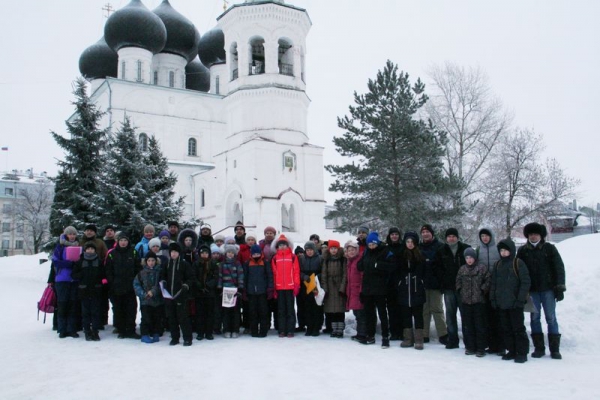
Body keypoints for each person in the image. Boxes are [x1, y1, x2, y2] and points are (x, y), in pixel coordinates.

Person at [517, 222, 566, 360]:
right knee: (534, 318)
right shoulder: (522, 251)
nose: (533, 236)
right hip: (532, 291)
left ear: (541, 235)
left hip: (548, 290)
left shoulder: (549, 249)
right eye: (531, 234)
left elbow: (559, 268)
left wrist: (560, 287)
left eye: (536, 234)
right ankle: (539, 348)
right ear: (528, 235)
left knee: (551, 318)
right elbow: (518, 271)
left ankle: (554, 349)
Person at [490, 238, 531, 363]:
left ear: (511, 251)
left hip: (515, 303)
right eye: (501, 250)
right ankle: (511, 350)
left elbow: (525, 282)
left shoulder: (518, 263)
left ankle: (522, 352)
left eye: (506, 250)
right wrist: (493, 299)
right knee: (506, 328)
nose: (503, 253)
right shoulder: (497, 265)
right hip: (502, 304)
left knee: (518, 328)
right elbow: (493, 283)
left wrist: (520, 299)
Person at [357, 232, 396, 348]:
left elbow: (392, 266)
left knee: (382, 313)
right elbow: (359, 266)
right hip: (368, 288)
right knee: (369, 313)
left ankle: (385, 336)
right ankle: (370, 335)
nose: (371, 246)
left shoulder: (385, 251)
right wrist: (365, 264)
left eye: (373, 244)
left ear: (377, 243)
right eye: (369, 244)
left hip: (380, 288)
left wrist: (377, 265)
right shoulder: (366, 252)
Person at [435, 227, 470, 349]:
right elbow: (438, 269)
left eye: (453, 236)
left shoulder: (465, 248)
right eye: (449, 236)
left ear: (457, 237)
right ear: (446, 238)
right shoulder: (441, 250)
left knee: (465, 315)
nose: (451, 238)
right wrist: (443, 282)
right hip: (449, 288)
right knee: (450, 315)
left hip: (464, 288)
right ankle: (453, 340)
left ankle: (468, 341)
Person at [106, 231, 141, 339]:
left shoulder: (133, 252)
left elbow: (138, 268)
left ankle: (131, 330)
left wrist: (136, 282)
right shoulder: (112, 253)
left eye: (125, 240)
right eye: (121, 240)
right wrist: (112, 283)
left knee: (131, 308)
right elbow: (108, 270)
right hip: (117, 286)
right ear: (118, 242)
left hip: (130, 287)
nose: (123, 242)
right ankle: (121, 330)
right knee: (119, 309)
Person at [456, 247, 491, 357]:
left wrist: (482, 289)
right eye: (467, 258)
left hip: (478, 301)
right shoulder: (462, 269)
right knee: (468, 326)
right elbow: (458, 281)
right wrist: (460, 290)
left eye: (471, 257)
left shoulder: (481, 268)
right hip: (466, 301)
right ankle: (470, 347)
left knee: (479, 325)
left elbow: (488, 280)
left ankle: (481, 348)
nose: (469, 260)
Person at [396, 232, 427, 350]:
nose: (410, 244)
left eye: (412, 242)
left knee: (418, 314)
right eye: (408, 242)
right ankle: (408, 338)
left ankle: (419, 339)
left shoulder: (420, 254)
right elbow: (397, 270)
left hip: (417, 288)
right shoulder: (401, 254)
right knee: (406, 315)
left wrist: (421, 281)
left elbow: (425, 270)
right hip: (404, 288)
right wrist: (399, 281)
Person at [161, 242, 195, 346]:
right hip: (169, 295)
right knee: (172, 318)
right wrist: (163, 282)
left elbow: (191, 277)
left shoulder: (184, 264)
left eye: (176, 252)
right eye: (172, 252)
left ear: (179, 253)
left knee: (183, 318)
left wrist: (186, 285)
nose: (174, 254)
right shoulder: (166, 264)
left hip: (181, 294)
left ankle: (187, 338)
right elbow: (162, 276)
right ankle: (175, 338)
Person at [476, 228, 503, 355]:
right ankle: (490, 344)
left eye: (487, 235)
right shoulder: (478, 250)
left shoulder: (497, 249)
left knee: (497, 317)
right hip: (483, 288)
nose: (485, 238)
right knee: (486, 317)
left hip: (496, 287)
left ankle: (500, 345)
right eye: (482, 236)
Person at [419, 224, 447, 344]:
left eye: (427, 232)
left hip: (436, 283)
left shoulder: (440, 246)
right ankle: (424, 334)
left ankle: (443, 334)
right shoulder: (419, 247)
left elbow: (443, 265)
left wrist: (442, 281)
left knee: (437, 309)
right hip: (423, 283)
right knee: (424, 309)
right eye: (423, 232)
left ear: (432, 233)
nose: (425, 234)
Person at [72, 242, 106, 342]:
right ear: (85, 250)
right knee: (85, 312)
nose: (90, 250)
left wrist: (102, 281)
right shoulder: (80, 261)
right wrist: (82, 275)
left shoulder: (99, 261)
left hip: (96, 290)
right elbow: (73, 274)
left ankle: (95, 331)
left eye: (92, 249)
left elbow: (103, 273)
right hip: (84, 290)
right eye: (88, 249)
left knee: (95, 312)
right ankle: (87, 331)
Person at [52, 226, 81, 338]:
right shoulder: (60, 247)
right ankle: (62, 329)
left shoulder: (79, 246)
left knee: (73, 304)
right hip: (62, 279)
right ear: (66, 235)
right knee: (63, 304)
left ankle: (72, 329)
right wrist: (69, 263)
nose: (72, 236)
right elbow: (55, 261)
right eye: (70, 234)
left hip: (74, 280)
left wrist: (77, 264)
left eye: (74, 234)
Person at [271, 234, 300, 338]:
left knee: (290, 310)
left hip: (290, 287)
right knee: (281, 310)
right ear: (277, 247)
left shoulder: (292, 257)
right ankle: (282, 330)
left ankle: (290, 330)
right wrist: (274, 288)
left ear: (288, 246)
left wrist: (296, 285)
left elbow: (296, 271)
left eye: (284, 245)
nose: (282, 247)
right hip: (279, 288)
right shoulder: (275, 258)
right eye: (280, 245)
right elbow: (274, 274)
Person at [243, 244, 273, 337]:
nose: (256, 255)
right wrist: (244, 290)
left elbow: (269, 276)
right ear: (251, 254)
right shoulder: (247, 263)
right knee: (252, 312)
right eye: (254, 254)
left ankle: (263, 330)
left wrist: (270, 288)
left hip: (262, 292)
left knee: (263, 312)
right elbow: (245, 277)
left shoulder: (265, 262)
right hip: (251, 292)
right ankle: (254, 330)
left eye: (257, 253)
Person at [133, 251, 163, 343]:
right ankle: (145, 334)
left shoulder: (160, 272)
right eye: (149, 260)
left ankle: (155, 333)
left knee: (157, 318)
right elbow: (136, 284)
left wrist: (153, 292)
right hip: (145, 300)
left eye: (153, 260)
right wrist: (142, 293)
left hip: (157, 299)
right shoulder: (141, 273)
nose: (151, 262)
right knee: (146, 318)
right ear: (146, 261)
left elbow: (161, 284)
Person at [321, 240, 347, 338]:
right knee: (331, 310)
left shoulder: (342, 259)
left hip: (339, 286)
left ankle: (340, 329)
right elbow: (324, 275)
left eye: (335, 248)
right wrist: (325, 288)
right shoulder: (326, 259)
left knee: (340, 310)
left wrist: (342, 288)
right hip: (330, 286)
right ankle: (333, 328)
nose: (333, 250)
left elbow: (345, 274)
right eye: (331, 248)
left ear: (338, 249)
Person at [218, 244, 244, 338]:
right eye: (228, 252)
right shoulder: (222, 264)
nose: (230, 254)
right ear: (225, 253)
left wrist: (240, 288)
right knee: (226, 312)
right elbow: (220, 277)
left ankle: (235, 330)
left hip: (235, 291)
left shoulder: (237, 264)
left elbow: (241, 276)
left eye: (232, 252)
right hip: (225, 290)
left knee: (235, 312)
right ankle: (226, 329)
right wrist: (220, 288)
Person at [192, 245, 218, 340]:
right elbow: (193, 276)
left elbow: (216, 277)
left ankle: (209, 332)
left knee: (210, 313)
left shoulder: (213, 263)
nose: (204, 255)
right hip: (199, 292)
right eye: (202, 253)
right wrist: (199, 285)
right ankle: (200, 332)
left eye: (206, 253)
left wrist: (208, 285)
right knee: (200, 314)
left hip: (210, 292)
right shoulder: (196, 264)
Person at [299, 241, 323, 337]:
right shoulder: (302, 259)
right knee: (307, 307)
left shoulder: (320, 258)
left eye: (311, 250)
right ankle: (309, 327)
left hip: (316, 284)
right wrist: (304, 276)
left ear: (314, 250)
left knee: (317, 306)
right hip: (306, 284)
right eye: (307, 250)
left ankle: (316, 327)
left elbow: (324, 271)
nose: (309, 252)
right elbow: (298, 271)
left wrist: (317, 277)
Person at [343, 240, 365, 342]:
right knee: (357, 313)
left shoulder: (359, 260)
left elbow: (362, 276)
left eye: (353, 250)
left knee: (361, 314)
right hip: (352, 291)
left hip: (358, 291)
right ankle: (360, 333)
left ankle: (362, 334)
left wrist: (361, 290)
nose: (351, 252)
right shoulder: (349, 261)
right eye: (349, 250)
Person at [385, 227, 403, 341]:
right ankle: (394, 332)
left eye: (396, 234)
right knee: (391, 308)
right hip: (389, 282)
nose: (394, 236)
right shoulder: (386, 248)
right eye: (392, 234)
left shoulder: (403, 247)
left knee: (401, 308)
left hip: (401, 281)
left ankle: (401, 331)